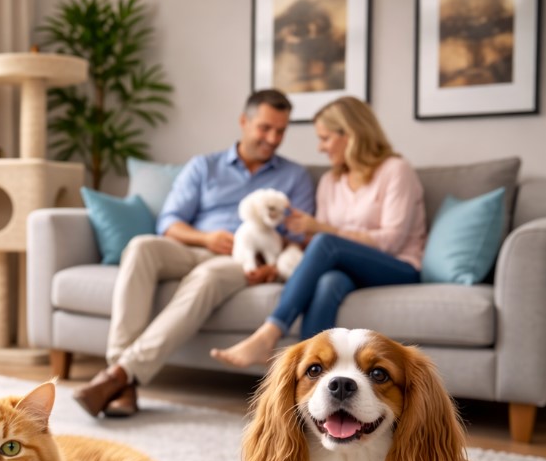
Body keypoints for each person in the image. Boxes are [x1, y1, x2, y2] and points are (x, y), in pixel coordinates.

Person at [73, 89, 315, 418]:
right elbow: (169, 222)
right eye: (265, 128)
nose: (273, 138)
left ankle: (116, 377)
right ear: (244, 122)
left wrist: (272, 268)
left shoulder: (294, 177)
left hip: (240, 262)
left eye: (281, 130)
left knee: (208, 276)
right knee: (141, 247)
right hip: (195, 246)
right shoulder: (205, 166)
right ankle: (123, 379)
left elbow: (300, 241)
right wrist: (205, 238)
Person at [210, 96, 426, 369]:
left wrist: (322, 230)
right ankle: (309, 385)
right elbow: (320, 248)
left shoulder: (395, 171)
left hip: (399, 267)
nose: (320, 147)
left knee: (326, 242)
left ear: (350, 135)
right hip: (350, 270)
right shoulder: (330, 180)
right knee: (328, 283)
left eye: (324, 138)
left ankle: (269, 333)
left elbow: (391, 241)